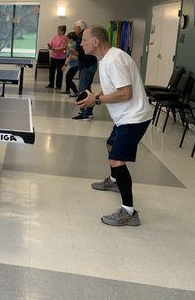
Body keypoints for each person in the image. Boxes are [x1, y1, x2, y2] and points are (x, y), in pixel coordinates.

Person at [76, 26, 153, 226]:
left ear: (96, 42)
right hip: (125, 117)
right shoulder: (106, 59)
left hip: (134, 117)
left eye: (84, 39)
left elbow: (125, 93)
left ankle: (129, 212)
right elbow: (112, 86)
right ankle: (114, 181)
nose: (81, 43)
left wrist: (97, 102)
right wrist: (97, 95)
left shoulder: (114, 60)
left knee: (117, 160)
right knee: (111, 146)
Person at [72, 20, 98, 120]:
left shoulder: (81, 37)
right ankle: (88, 111)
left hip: (87, 65)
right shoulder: (86, 35)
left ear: (79, 28)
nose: (74, 30)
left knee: (82, 90)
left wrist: (67, 48)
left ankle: (85, 114)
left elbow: (78, 53)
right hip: (91, 64)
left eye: (75, 28)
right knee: (87, 88)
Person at [45, 25, 67, 90]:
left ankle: (58, 86)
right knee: (51, 71)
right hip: (53, 57)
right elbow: (51, 45)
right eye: (57, 30)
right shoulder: (55, 36)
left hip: (61, 58)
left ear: (63, 31)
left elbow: (63, 48)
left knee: (59, 72)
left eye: (59, 30)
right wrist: (49, 46)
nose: (57, 31)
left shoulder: (65, 38)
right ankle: (51, 84)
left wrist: (55, 49)